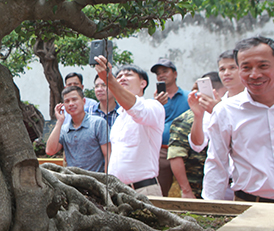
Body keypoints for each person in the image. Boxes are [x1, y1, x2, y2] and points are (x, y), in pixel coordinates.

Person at [202, 36, 274, 202]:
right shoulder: (225, 111)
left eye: (263, 66)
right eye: (246, 67)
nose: (254, 75)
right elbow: (216, 163)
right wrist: (211, 212)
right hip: (250, 206)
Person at [93, 58, 165, 196]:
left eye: (129, 75)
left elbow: (137, 109)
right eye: (119, 76)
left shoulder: (153, 107)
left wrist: (110, 79)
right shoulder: (119, 118)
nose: (123, 78)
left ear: (143, 83)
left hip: (144, 190)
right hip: (118, 192)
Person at [167, 72, 226, 198]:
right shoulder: (186, 119)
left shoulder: (229, 111)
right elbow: (176, 156)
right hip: (196, 186)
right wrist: (186, 190)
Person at [45, 86, 110, 172]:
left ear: (83, 101)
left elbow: (108, 155)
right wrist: (59, 122)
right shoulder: (64, 129)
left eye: (74, 99)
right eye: (67, 101)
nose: (71, 104)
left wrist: (107, 181)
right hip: (72, 181)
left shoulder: (98, 123)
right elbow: (50, 151)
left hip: (96, 181)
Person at [151, 58, 190, 196]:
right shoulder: (154, 102)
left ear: (175, 74)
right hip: (162, 150)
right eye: (158, 73)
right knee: (161, 191)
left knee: (189, 189)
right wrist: (156, 105)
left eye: (165, 71)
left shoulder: (189, 97)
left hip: (185, 152)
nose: (161, 75)